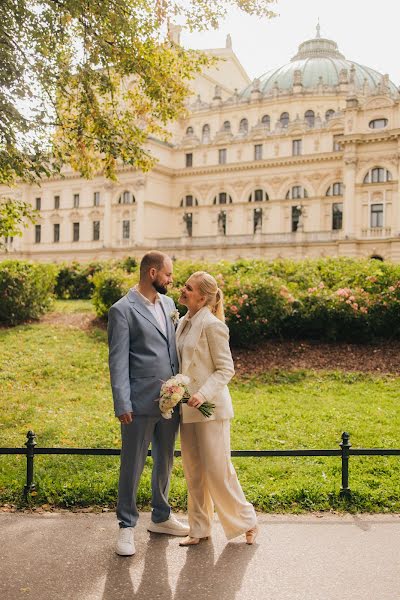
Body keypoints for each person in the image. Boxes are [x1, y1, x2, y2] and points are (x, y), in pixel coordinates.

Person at [108, 251, 189, 556]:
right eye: (168, 275)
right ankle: (126, 526)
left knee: (165, 460)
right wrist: (122, 402)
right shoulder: (122, 310)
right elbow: (117, 361)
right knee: (133, 464)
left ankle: (161, 516)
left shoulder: (168, 305)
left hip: (172, 399)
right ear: (152, 273)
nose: (172, 280)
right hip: (138, 403)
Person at [176, 271, 258, 546]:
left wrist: (203, 393)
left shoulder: (212, 325)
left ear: (202, 297)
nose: (182, 290)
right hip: (187, 407)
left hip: (211, 408)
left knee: (218, 470)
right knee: (194, 470)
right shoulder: (183, 322)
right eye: (184, 285)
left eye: (188, 288)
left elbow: (226, 369)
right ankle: (199, 528)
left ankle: (247, 521)